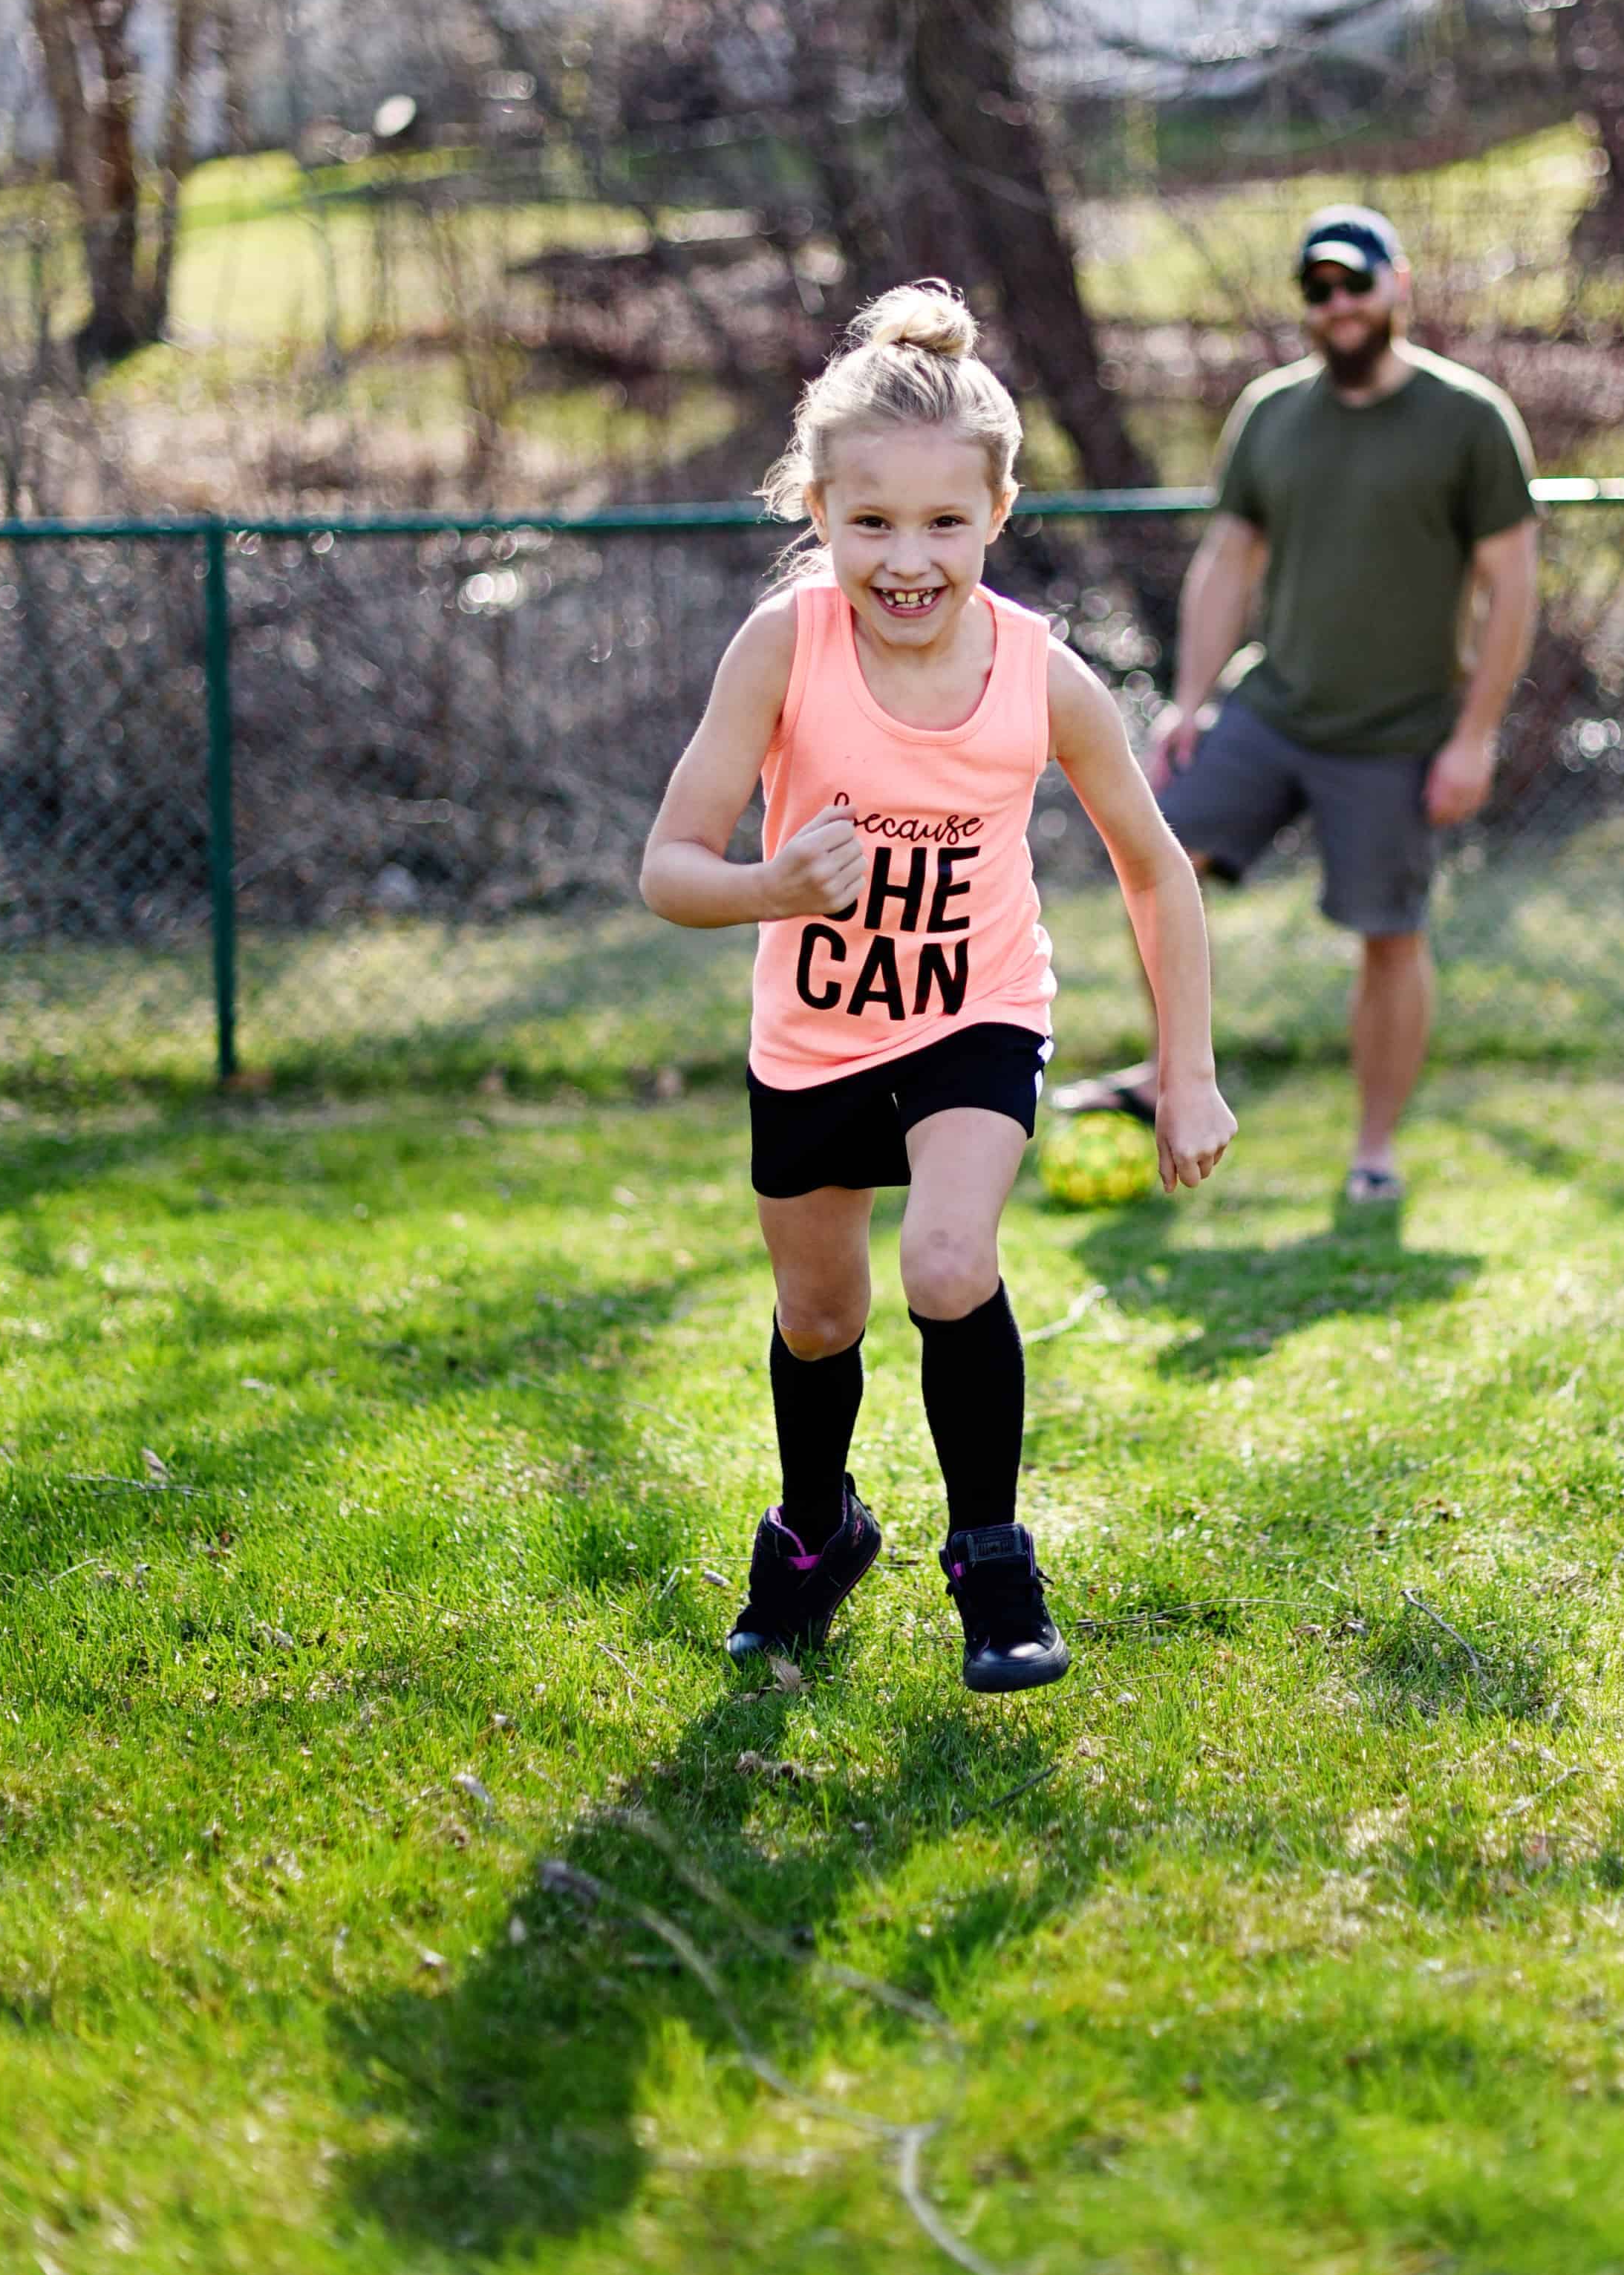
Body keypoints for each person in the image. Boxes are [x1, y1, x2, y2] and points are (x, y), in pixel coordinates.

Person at [639, 281, 1235, 1695]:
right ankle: (818, 1531)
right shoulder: (786, 647)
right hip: (812, 1033)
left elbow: (1157, 871)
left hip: (979, 1015)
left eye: (944, 525)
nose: (908, 561)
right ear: (820, 513)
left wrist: (1189, 1068)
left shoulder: (1042, 676)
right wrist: (772, 887)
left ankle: (993, 1562)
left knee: (948, 1264)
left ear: (999, 516)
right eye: (872, 525)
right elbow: (670, 867)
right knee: (821, 1318)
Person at [1058, 206, 1536, 1217]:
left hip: (1399, 735)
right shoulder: (1271, 413)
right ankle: (1167, 1076)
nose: (1338, 307)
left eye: (1355, 284)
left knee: (1388, 937)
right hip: (1272, 709)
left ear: (1396, 286)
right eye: (1317, 292)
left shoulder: (1469, 418)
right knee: (1159, 859)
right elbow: (1228, 560)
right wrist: (1190, 702)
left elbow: (1514, 586)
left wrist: (1475, 735)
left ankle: (1372, 1149)